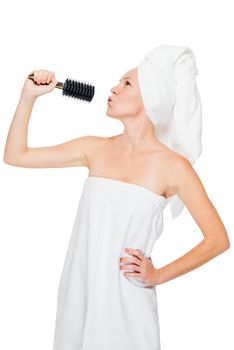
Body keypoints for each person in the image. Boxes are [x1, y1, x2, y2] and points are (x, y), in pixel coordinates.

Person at [3, 59, 230, 349]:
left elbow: (218, 240)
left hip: (127, 301)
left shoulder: (174, 167)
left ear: (151, 97)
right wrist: (27, 98)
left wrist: (158, 275)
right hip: (79, 292)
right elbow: (15, 156)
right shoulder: (94, 148)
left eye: (126, 84)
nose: (114, 88)